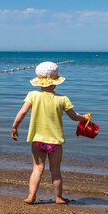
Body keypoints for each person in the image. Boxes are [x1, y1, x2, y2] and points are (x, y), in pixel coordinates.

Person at [11, 61, 89, 205]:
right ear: (55, 82)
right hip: (54, 142)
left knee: (37, 169)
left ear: (39, 80)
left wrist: (15, 127)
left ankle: (31, 196)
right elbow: (73, 117)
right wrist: (83, 118)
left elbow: (22, 112)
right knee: (55, 171)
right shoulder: (62, 99)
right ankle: (58, 198)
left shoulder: (32, 95)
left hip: (38, 140)